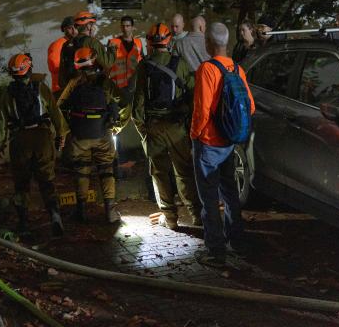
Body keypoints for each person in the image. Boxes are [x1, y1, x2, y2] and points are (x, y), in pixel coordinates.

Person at [190, 23, 255, 267]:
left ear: (208, 43)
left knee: (208, 198)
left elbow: (202, 110)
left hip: (208, 144)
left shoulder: (207, 69)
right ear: (226, 42)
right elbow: (250, 106)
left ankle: (215, 252)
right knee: (230, 194)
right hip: (230, 142)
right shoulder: (237, 68)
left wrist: (195, 135)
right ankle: (237, 242)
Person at [133, 23, 202, 229]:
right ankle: (197, 215)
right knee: (185, 172)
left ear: (150, 42)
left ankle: (170, 218)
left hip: (154, 127)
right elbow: (193, 94)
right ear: (168, 40)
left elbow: (138, 103)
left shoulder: (144, 66)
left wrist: (143, 130)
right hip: (177, 128)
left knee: (160, 174)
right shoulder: (179, 63)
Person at [0, 53, 69, 237]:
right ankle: (55, 216)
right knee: (47, 180)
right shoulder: (41, 88)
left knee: (22, 184)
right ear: (29, 69)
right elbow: (55, 112)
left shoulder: (8, 94)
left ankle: (23, 223)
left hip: (20, 140)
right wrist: (62, 133)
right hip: (42, 138)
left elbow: (1, 120)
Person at [59, 46, 122, 223]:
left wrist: (67, 128)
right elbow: (122, 102)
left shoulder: (74, 82)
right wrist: (117, 125)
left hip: (80, 135)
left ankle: (81, 212)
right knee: (107, 170)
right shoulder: (105, 81)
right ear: (95, 59)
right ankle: (110, 212)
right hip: (103, 133)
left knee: (82, 171)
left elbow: (60, 106)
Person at [58, 11, 115, 92]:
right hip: (92, 90)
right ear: (88, 26)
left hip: (72, 91)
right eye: (92, 24)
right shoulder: (92, 42)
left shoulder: (66, 45)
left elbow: (62, 72)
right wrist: (112, 49)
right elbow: (107, 63)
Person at [107, 15, 144, 132]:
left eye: (128, 26)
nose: (125, 29)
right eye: (123, 26)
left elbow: (141, 63)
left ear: (133, 28)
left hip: (133, 87)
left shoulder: (138, 43)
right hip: (117, 88)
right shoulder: (113, 43)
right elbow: (107, 64)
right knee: (118, 119)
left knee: (134, 118)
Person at [48, 16, 77, 98]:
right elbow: (54, 66)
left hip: (74, 88)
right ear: (64, 30)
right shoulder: (57, 45)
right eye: (70, 28)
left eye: (75, 27)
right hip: (60, 90)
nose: (74, 31)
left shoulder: (78, 42)